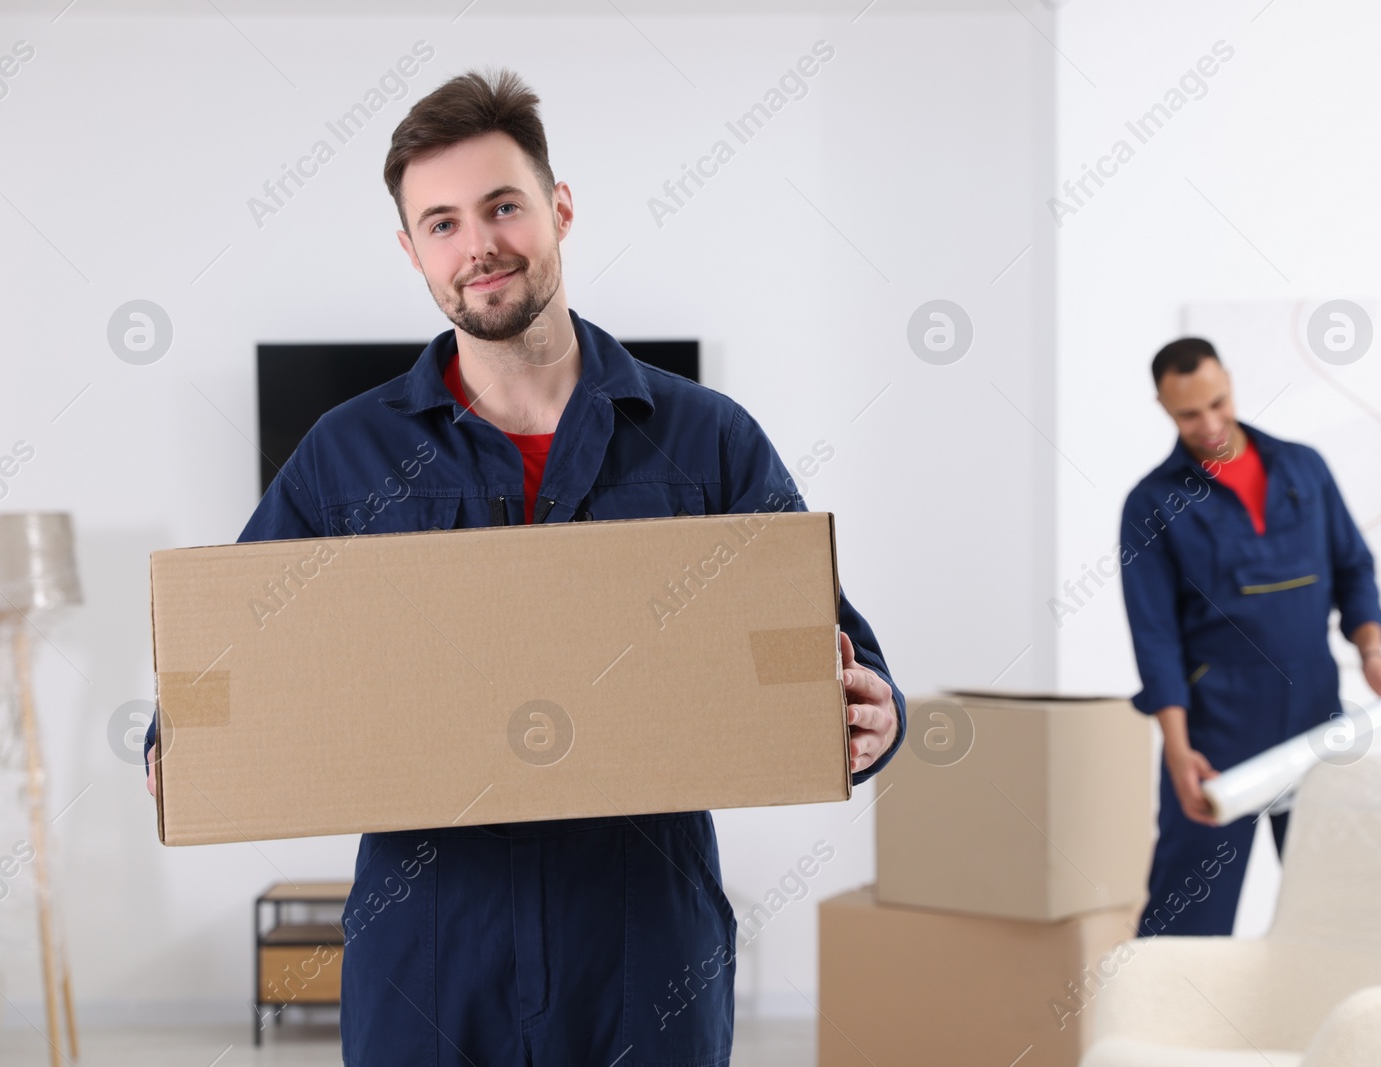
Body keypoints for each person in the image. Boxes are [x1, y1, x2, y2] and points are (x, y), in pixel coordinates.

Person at [144, 69, 906, 1065]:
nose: (480, 244)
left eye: (503, 206)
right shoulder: (347, 452)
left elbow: (825, 649)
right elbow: (233, 648)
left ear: (559, 209)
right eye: (444, 222)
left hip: (641, 928)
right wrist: (176, 745)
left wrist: (877, 711)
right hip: (428, 935)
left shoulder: (705, 438)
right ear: (411, 249)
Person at [1119, 337, 1381, 937]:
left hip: (1315, 719)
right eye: (1188, 414)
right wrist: (1175, 744)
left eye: (1218, 403)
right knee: (1186, 922)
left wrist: (1373, 655)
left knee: (1336, 911)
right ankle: (1166, 1032)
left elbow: (1353, 567)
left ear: (1229, 379)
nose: (1210, 424)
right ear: (1162, 407)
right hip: (1216, 733)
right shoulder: (1151, 504)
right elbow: (1155, 636)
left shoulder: (1303, 468)